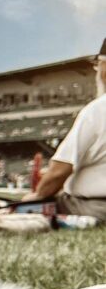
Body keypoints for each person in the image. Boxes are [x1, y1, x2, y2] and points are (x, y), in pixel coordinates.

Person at [20, 39, 106, 221]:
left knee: (29, 207)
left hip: (95, 206)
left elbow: (61, 169)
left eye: (98, 65)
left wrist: (38, 195)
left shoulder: (97, 109)